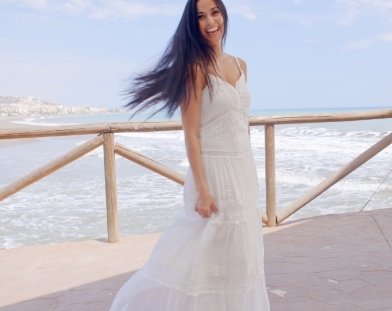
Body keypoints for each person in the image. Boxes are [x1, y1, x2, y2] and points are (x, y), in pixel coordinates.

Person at [108, 0, 271, 310]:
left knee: (241, 253)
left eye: (214, 12)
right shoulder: (194, 69)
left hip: (242, 169)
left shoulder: (241, 65)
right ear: (192, 25)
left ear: (224, 15)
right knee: (202, 252)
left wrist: (250, 171)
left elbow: (241, 121)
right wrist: (202, 188)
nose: (210, 21)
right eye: (200, 16)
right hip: (213, 171)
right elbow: (192, 134)